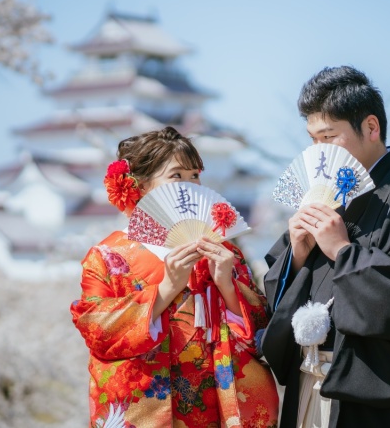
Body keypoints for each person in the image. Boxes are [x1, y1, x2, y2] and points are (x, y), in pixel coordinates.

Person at [261, 66, 390, 428]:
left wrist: (343, 251)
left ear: (372, 128)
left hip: (377, 400)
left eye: (329, 136)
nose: (319, 153)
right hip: (307, 384)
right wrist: (297, 253)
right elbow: (276, 295)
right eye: (313, 140)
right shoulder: (326, 195)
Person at [71, 126, 279, 428]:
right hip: (151, 404)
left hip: (216, 407)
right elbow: (97, 332)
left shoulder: (221, 249)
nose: (190, 186)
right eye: (176, 176)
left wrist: (227, 287)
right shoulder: (108, 257)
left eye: (195, 176)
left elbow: (261, 331)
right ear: (140, 186)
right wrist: (165, 290)